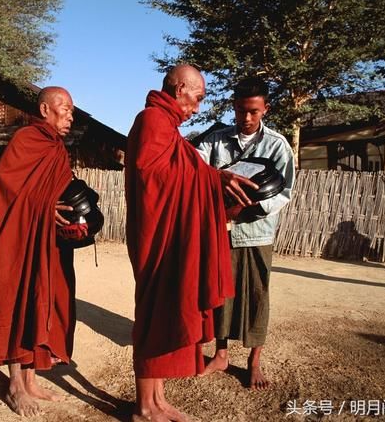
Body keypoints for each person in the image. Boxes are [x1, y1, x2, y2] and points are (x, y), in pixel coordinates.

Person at [125, 64, 258, 421]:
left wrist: (211, 178)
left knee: (165, 315)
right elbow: (153, 174)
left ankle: (156, 400)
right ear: (180, 88)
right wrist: (212, 180)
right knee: (153, 318)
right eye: (197, 98)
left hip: (168, 237)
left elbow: (179, 170)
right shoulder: (152, 119)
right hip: (157, 239)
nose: (197, 108)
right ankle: (142, 407)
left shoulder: (166, 126)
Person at [0, 86, 77, 417]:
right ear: (45, 110)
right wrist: (44, 207)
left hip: (45, 240)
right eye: (64, 108)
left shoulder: (57, 150)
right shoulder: (26, 140)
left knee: (38, 302)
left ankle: (32, 380)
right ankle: (16, 385)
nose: (70, 114)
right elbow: (7, 188)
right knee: (17, 300)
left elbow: (57, 189)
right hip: (18, 239)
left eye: (72, 110)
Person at [196, 77, 295, 389]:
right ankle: (221, 354)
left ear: (265, 108)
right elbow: (192, 167)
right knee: (220, 295)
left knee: (256, 296)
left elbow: (284, 192)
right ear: (233, 108)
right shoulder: (214, 141)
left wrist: (244, 209)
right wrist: (216, 179)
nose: (246, 118)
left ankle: (254, 361)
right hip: (218, 231)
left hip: (256, 233)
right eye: (240, 110)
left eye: (253, 111)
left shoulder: (278, 145)